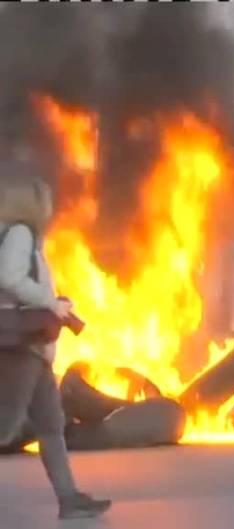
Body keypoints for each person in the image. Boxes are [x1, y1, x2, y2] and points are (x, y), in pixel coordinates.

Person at [0, 175, 111, 520]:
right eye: (45, 201)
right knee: (5, 425)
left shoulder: (22, 235)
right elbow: (9, 277)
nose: (50, 208)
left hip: (35, 346)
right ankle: (69, 498)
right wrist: (50, 302)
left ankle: (69, 499)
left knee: (51, 423)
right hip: (21, 346)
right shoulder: (20, 233)